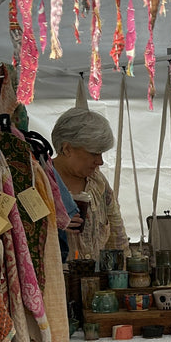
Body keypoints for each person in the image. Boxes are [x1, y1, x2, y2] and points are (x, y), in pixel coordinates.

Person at [50, 94, 127, 261]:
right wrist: (53, 222)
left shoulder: (98, 183)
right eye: (93, 153)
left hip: (97, 284)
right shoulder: (41, 180)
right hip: (58, 283)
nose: (99, 161)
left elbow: (117, 235)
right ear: (67, 148)